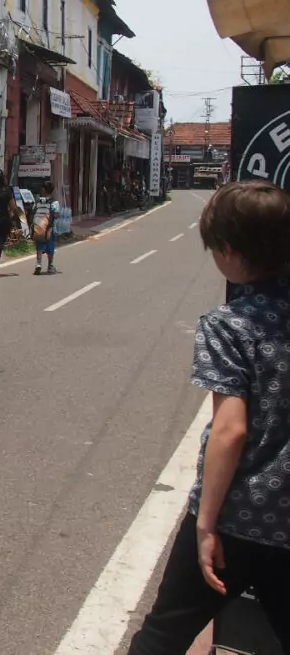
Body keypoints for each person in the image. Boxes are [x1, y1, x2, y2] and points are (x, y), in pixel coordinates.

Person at [128, 181, 290, 654]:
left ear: (229, 252)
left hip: (239, 516)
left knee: (163, 633)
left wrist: (206, 525)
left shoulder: (230, 325)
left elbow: (230, 430)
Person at [32, 181, 59, 275]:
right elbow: (56, 215)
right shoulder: (54, 202)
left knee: (39, 246)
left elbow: (33, 210)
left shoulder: (38, 201)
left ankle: (38, 264)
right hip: (50, 228)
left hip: (39, 227)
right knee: (50, 247)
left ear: (43, 190)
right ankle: (50, 266)